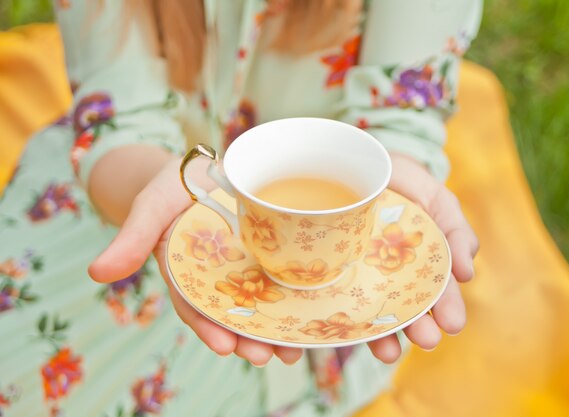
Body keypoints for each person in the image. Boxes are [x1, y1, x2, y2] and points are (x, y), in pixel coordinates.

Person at [0, 1, 480, 416]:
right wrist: (162, 192)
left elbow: (400, 112)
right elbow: (120, 120)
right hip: (130, 188)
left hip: (328, 292)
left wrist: (396, 169)